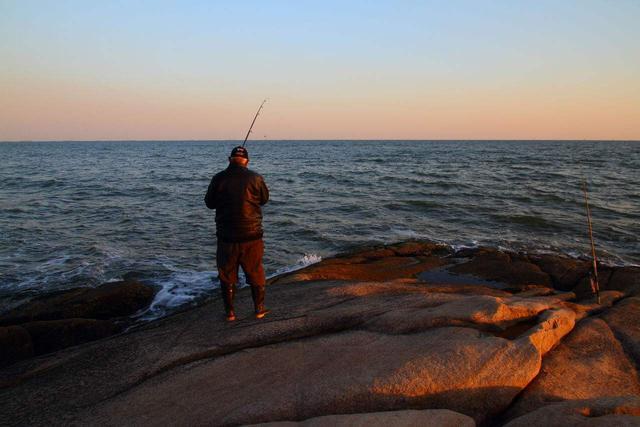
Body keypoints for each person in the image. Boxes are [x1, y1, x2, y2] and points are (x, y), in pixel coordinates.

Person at [204, 146, 270, 321]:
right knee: (255, 271)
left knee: (227, 274)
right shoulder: (256, 178)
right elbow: (264, 200)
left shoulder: (218, 178)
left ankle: (230, 314)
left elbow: (209, 203)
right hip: (252, 236)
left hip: (226, 237)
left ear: (229, 159)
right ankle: (259, 310)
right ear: (247, 161)